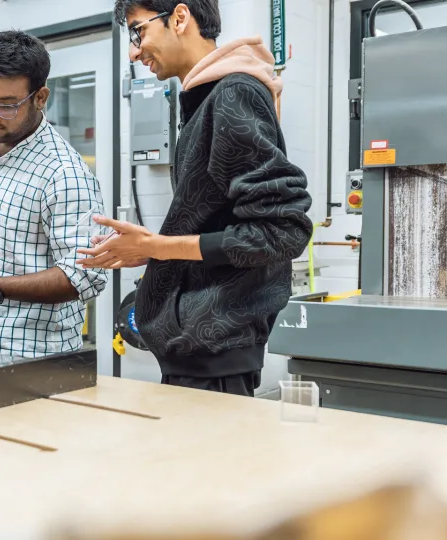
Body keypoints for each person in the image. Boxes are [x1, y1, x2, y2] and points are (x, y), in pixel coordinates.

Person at [77, 0, 313, 396]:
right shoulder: (205, 99)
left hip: (216, 356)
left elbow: (281, 231)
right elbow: (218, 224)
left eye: (138, 31)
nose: (134, 51)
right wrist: (152, 250)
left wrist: (159, 246)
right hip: (199, 350)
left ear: (180, 17)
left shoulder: (233, 94)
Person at [0, 30, 108, 357]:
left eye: (7, 106)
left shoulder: (64, 173)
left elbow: (85, 276)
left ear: (40, 98)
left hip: (32, 357)